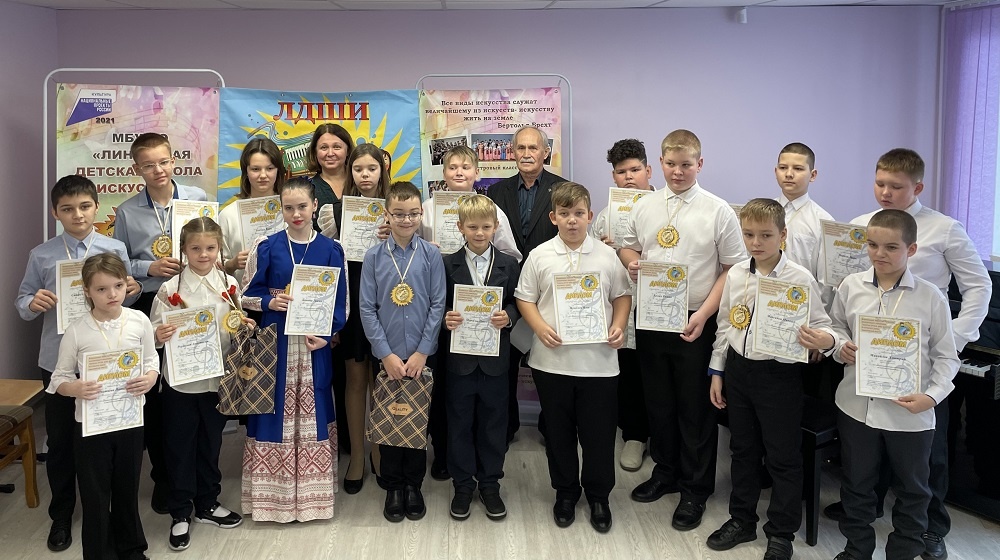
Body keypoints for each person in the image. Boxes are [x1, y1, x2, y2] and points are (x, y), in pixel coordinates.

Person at [827, 149, 992, 560]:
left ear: (917, 187)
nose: (885, 192)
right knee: (863, 466)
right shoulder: (862, 225)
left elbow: (978, 286)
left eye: (896, 186)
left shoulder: (945, 229)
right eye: (880, 183)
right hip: (866, 369)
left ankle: (930, 531)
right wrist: (836, 342)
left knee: (927, 463)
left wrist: (953, 340)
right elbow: (843, 290)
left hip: (919, 364)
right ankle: (862, 525)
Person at [619, 129, 746, 531]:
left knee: (694, 408)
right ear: (660, 163)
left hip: (695, 319)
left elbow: (732, 270)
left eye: (686, 165)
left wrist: (705, 314)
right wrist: (631, 261)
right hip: (652, 316)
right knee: (658, 402)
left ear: (700, 164)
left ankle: (695, 489)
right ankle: (666, 472)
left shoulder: (718, 211)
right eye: (671, 164)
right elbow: (628, 246)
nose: (677, 172)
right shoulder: (644, 205)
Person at [705, 199, 838, 560]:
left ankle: (781, 532)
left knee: (782, 457)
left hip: (779, 377)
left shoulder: (800, 278)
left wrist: (823, 340)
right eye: (749, 234)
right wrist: (717, 370)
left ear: (783, 235)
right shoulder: (736, 274)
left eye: (765, 235)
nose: (756, 242)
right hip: (739, 371)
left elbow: (825, 326)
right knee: (743, 450)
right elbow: (726, 325)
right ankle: (742, 519)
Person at [16, 175, 139, 552]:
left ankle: (109, 514)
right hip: (60, 361)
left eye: (85, 206)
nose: (78, 215)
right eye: (67, 209)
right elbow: (22, 301)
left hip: (109, 362)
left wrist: (132, 290)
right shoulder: (42, 254)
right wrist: (31, 303)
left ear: (97, 207)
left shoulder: (114, 247)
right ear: (55, 212)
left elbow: (124, 297)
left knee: (105, 441)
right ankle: (61, 515)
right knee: (62, 442)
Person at [829, 209, 960, 560]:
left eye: (891, 247)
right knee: (856, 486)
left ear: (911, 249)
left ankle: (903, 553)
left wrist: (932, 397)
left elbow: (947, 358)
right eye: (872, 245)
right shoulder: (850, 286)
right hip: (856, 407)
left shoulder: (931, 297)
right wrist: (840, 346)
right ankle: (856, 550)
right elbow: (836, 327)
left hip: (910, 413)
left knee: (914, 491)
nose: (879, 254)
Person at [515, 181, 631, 533]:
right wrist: (538, 327)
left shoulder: (607, 256)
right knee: (559, 433)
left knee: (599, 435)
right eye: (564, 214)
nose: (572, 220)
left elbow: (622, 295)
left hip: (599, 364)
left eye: (579, 213)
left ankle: (598, 496)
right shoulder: (540, 255)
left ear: (590, 216)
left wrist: (619, 325)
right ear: (553, 217)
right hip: (552, 363)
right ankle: (565, 492)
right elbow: (524, 298)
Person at [240, 177, 349, 522]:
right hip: (276, 343)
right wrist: (270, 301)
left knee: (315, 407)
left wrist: (329, 333)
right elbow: (244, 296)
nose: (296, 214)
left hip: (313, 345)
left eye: (302, 206)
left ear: (315, 205)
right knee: (273, 411)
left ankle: (313, 497)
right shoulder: (267, 246)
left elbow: (342, 303)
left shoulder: (332, 249)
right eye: (289, 208)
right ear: (281, 209)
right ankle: (273, 498)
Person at [113, 131, 208, 514]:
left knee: (192, 389)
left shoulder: (197, 199)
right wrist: (147, 267)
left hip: (193, 301)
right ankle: (164, 478)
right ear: (137, 168)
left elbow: (209, 244)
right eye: (149, 165)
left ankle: (198, 476)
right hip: (149, 302)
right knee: (154, 394)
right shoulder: (127, 212)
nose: (158, 170)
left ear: (174, 161)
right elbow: (118, 263)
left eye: (164, 162)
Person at [419, 144, 522, 480]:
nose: (459, 172)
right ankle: (448, 458)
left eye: (466, 167)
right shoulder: (427, 208)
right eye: (453, 167)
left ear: (477, 173)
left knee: (489, 405)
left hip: (488, 331)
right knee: (450, 399)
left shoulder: (492, 210)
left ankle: (486, 468)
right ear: (443, 172)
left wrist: (505, 310)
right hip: (450, 323)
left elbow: (510, 257)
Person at [48, 253, 159, 560]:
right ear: (86, 291)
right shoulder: (77, 330)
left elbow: (151, 359)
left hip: (130, 421)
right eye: (101, 289)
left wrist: (150, 378)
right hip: (91, 426)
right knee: (95, 494)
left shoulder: (139, 321)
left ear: (126, 285)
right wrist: (74, 387)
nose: (112, 294)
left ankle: (132, 549)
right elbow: (58, 378)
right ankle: (98, 553)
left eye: (118, 286)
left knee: (127, 488)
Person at [151, 217, 245, 550]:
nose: (203, 255)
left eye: (210, 248)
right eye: (195, 248)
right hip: (181, 383)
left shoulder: (229, 284)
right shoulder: (169, 289)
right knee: (179, 445)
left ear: (219, 248)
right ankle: (180, 510)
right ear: (183, 250)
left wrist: (243, 324)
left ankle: (207, 502)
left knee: (210, 442)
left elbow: (234, 325)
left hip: (216, 380)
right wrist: (159, 334)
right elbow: (152, 335)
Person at [360, 181, 446, 523]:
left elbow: (438, 304)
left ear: (421, 213)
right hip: (389, 356)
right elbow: (367, 309)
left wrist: (423, 351)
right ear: (387, 215)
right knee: (390, 419)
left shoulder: (431, 255)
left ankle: (414, 485)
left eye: (412, 214)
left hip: (421, 355)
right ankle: (393, 486)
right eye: (398, 214)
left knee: (416, 420)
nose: (406, 220)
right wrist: (385, 354)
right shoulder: (373, 256)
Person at [441, 194, 521, 520]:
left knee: (493, 424)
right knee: (458, 423)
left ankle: (490, 484)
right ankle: (462, 485)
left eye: (486, 227)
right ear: (460, 227)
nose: (479, 233)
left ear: (496, 226)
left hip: (495, 360)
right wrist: (446, 317)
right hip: (459, 361)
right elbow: (439, 304)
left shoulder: (509, 264)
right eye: (472, 227)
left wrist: (509, 316)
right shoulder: (446, 264)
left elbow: (517, 302)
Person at [487, 125, 567, 444]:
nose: (526, 154)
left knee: (551, 363)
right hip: (507, 290)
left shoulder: (563, 189)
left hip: (548, 290)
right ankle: (507, 428)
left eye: (533, 148)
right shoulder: (496, 192)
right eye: (520, 148)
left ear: (546, 152)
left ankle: (552, 429)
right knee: (505, 363)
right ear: (512, 152)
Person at [318, 142, 391, 493]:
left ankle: (379, 451)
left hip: (388, 304)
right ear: (351, 172)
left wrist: (395, 234)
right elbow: (326, 265)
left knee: (382, 379)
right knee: (355, 378)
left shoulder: (395, 209)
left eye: (371, 168)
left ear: (382, 171)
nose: (365, 175)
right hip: (351, 301)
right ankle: (357, 456)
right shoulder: (333, 212)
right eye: (358, 169)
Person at [589, 138, 655, 472]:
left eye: (635, 169)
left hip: (662, 307)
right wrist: (603, 250)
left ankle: (662, 437)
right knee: (629, 372)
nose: (629, 177)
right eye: (621, 172)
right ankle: (635, 435)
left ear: (649, 170)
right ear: (613, 176)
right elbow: (591, 267)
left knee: (658, 374)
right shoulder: (604, 218)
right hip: (622, 308)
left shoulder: (667, 209)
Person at [219, 137, 287, 288]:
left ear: (278, 170)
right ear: (246, 171)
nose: (263, 175)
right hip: (242, 296)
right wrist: (232, 264)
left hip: (285, 295)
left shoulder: (291, 211)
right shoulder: (228, 215)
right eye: (255, 169)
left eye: (269, 168)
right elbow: (213, 266)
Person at [305, 124, 353, 234]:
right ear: (315, 152)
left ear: (348, 151)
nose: (330, 153)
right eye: (324, 147)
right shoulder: (307, 189)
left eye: (337, 147)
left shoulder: (361, 184)